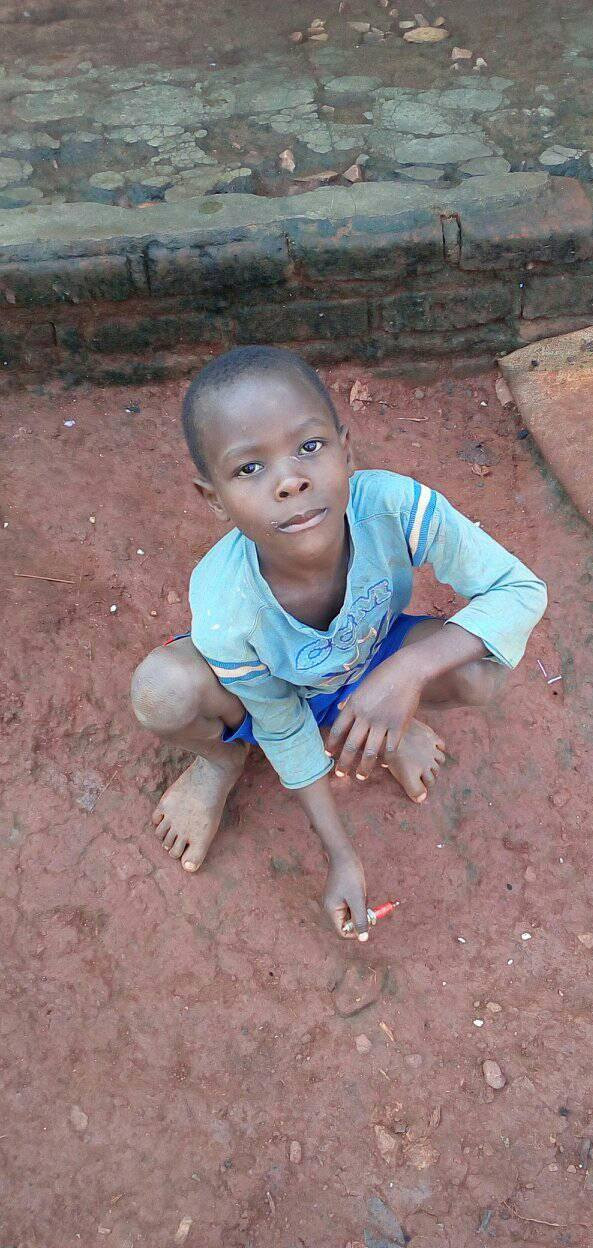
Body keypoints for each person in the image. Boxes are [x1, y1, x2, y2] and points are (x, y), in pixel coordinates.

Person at [131, 346, 547, 940]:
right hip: (272, 694)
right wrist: (341, 857)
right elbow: (281, 725)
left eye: (309, 446)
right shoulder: (225, 605)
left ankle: (383, 721)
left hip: (371, 654)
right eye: (249, 468)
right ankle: (220, 762)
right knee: (162, 690)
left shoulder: (393, 507)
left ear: (345, 450)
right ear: (213, 498)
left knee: (483, 669)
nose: (290, 480)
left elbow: (521, 590)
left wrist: (405, 674)